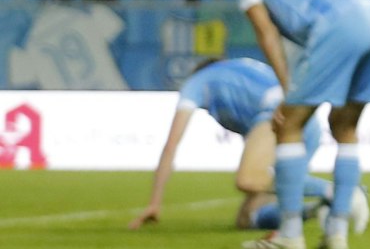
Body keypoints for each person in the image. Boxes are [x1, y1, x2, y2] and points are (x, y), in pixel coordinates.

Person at [209, 0, 370, 249]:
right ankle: (337, 231)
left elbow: (264, 30)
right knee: (345, 126)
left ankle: (290, 233)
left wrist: (286, 88)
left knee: (289, 124)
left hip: (342, 24)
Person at [130, 57, 345, 233]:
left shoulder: (196, 83)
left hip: (278, 116)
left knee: (249, 179)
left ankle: (339, 191)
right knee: (248, 216)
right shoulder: (241, 69)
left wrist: (154, 202)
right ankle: (317, 210)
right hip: (306, 120)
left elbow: (171, 145)